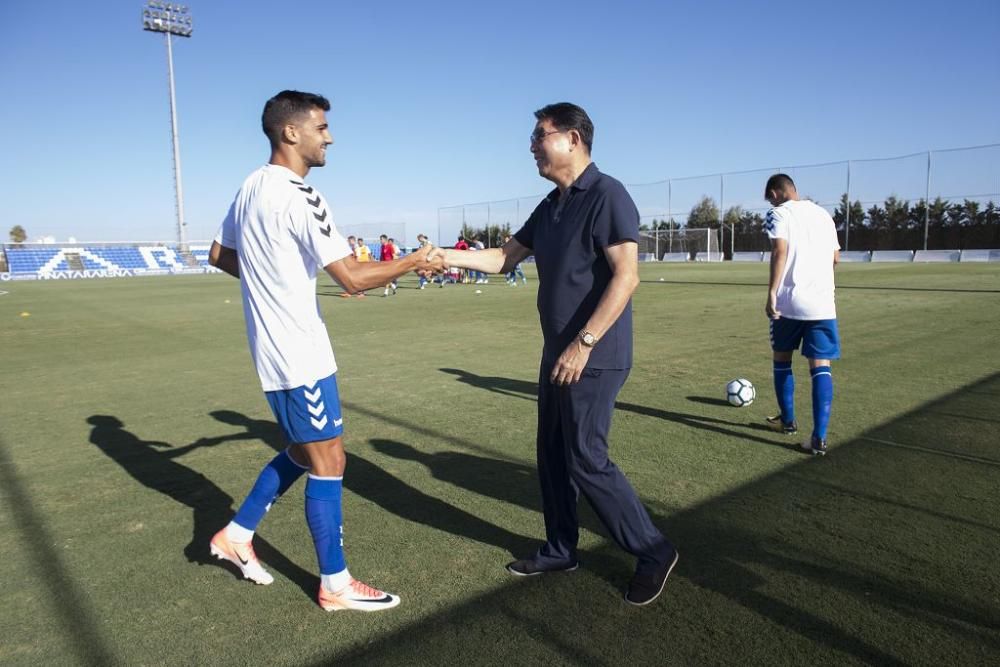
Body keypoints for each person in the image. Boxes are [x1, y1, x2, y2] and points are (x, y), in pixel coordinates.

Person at [433, 102, 678, 606]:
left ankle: (653, 550)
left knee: (586, 458)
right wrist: (441, 256)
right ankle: (561, 548)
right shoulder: (551, 204)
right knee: (551, 456)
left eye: (539, 135)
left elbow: (626, 276)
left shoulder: (607, 194)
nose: (531, 145)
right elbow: (504, 258)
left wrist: (584, 343)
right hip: (556, 353)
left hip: (594, 352)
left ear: (572, 138)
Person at [207, 89, 442, 612]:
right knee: (329, 458)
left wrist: (273, 281)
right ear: (291, 132)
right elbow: (353, 277)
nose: (329, 136)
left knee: (304, 449)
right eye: (321, 127)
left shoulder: (250, 185)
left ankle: (237, 534)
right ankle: (335, 585)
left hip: (278, 348)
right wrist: (411, 262)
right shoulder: (299, 192)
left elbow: (219, 255)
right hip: (297, 351)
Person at [762, 173, 841, 456]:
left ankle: (788, 421)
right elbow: (835, 258)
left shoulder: (778, 213)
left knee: (782, 359)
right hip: (823, 304)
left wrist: (772, 291)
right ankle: (818, 439)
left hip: (789, 303)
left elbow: (779, 250)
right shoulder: (824, 216)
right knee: (820, 366)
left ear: (775, 193)